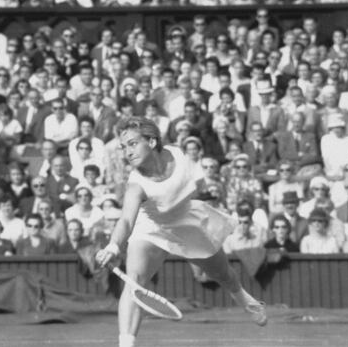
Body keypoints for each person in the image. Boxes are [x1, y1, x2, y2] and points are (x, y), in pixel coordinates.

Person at [95, 117, 266, 347]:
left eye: (133, 143)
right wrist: (113, 246)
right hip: (152, 229)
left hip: (187, 222)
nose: (127, 151)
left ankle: (246, 300)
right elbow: (126, 220)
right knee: (134, 282)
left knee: (223, 273)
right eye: (123, 146)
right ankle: (126, 343)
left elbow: (197, 186)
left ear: (152, 142)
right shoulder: (136, 185)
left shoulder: (178, 154)